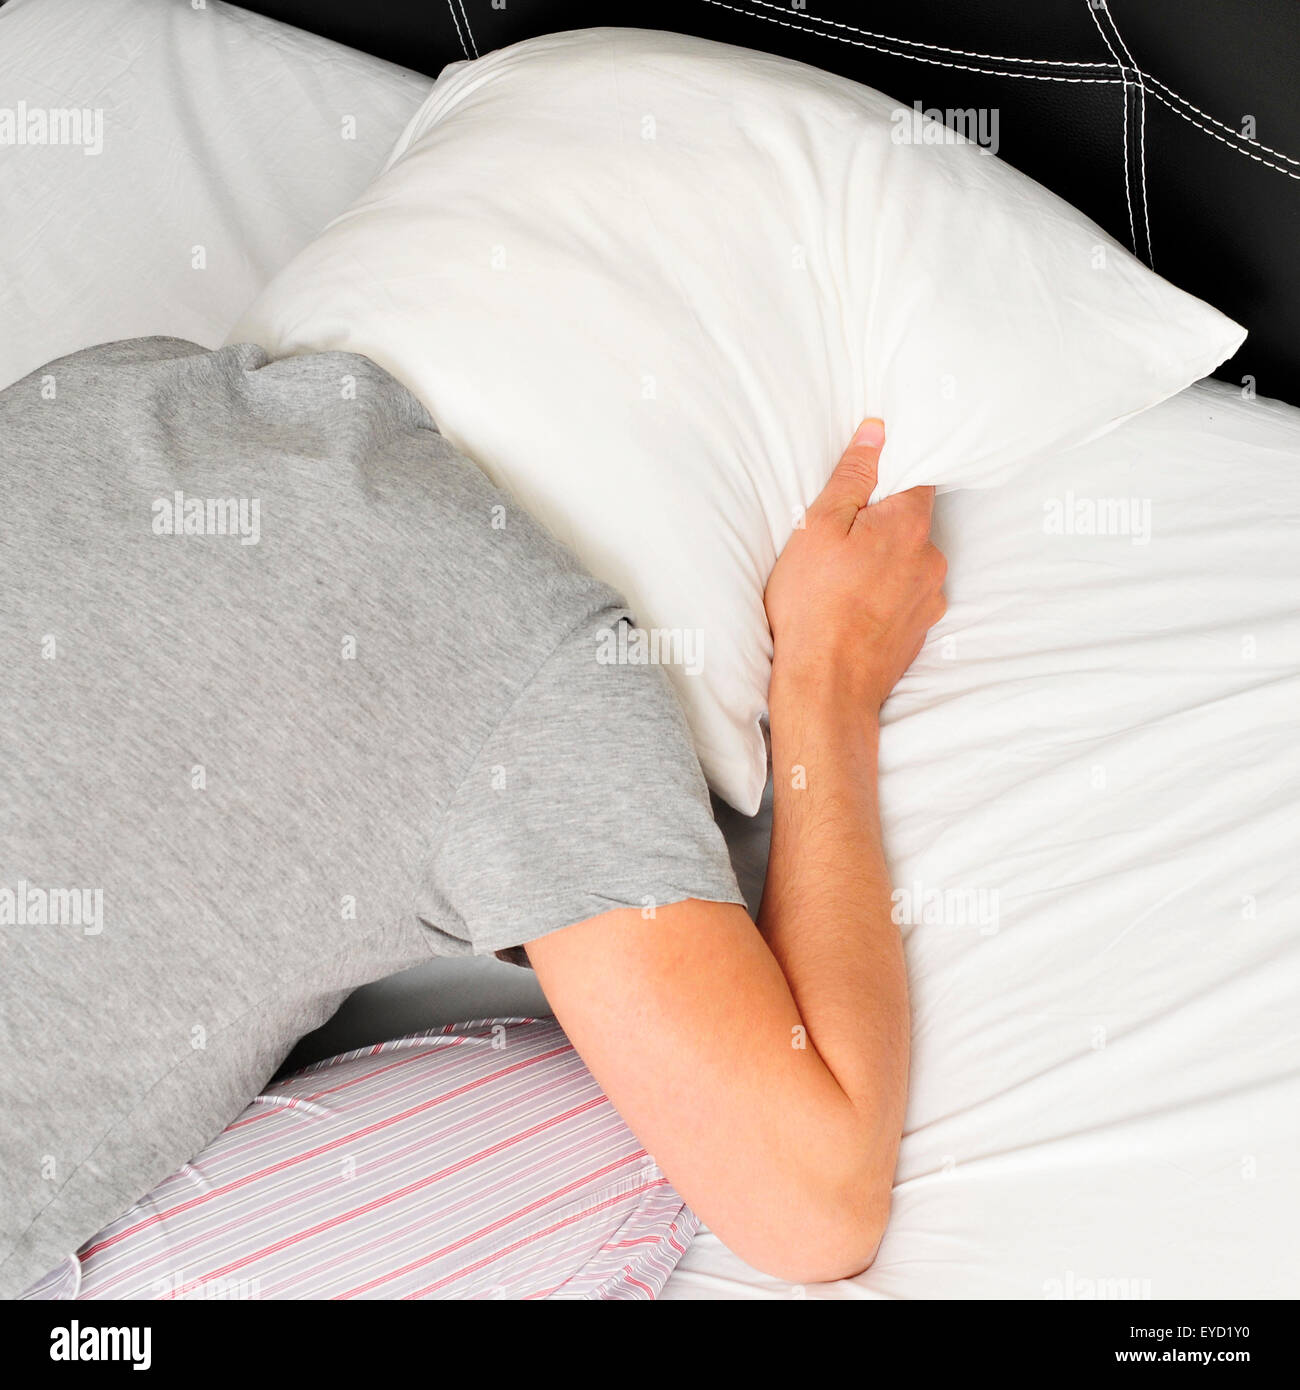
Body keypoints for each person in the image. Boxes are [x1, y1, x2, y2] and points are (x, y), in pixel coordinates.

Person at [4, 341, 943, 1299]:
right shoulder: (534, 683)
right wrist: (829, 683)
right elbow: (814, 1198)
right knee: (620, 1133)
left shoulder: (106, 395)